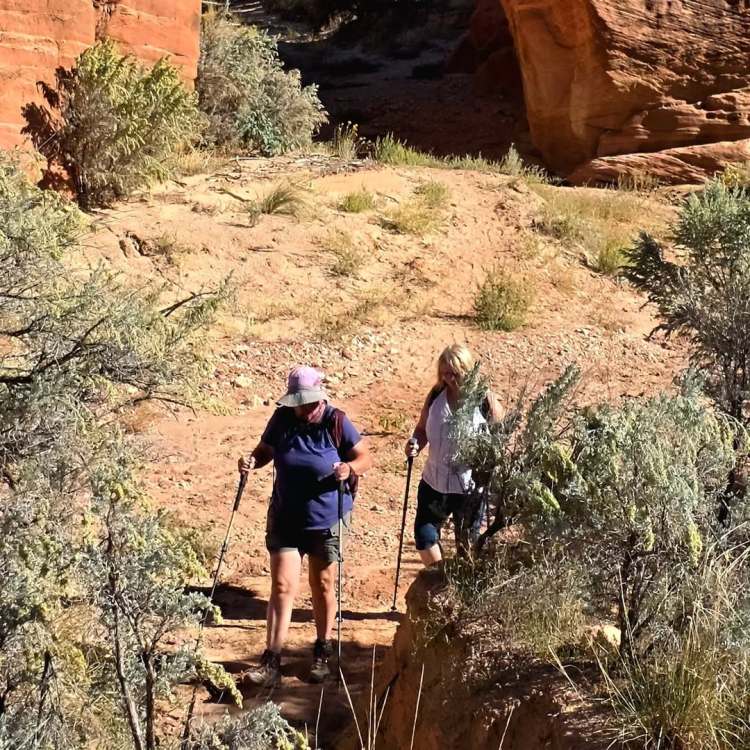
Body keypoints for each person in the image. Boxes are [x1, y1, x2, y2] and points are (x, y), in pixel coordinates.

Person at [238, 366, 372, 686]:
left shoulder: (336, 421)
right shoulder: (282, 418)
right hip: (286, 515)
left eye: (309, 402)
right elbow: (265, 451)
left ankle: (322, 651)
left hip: (326, 518)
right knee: (282, 586)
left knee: (322, 584)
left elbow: (365, 458)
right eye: (299, 403)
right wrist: (251, 462)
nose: (304, 408)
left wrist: (348, 468)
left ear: (320, 398)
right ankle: (271, 660)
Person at [405, 345, 501, 565]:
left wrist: (488, 465)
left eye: (454, 373)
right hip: (433, 483)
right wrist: (414, 444)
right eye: (444, 373)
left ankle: (460, 583)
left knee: (467, 546)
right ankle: (440, 578)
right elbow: (421, 429)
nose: (448, 379)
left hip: (468, 488)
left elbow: (500, 435)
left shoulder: (484, 400)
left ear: (467, 370)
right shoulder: (435, 395)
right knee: (424, 537)